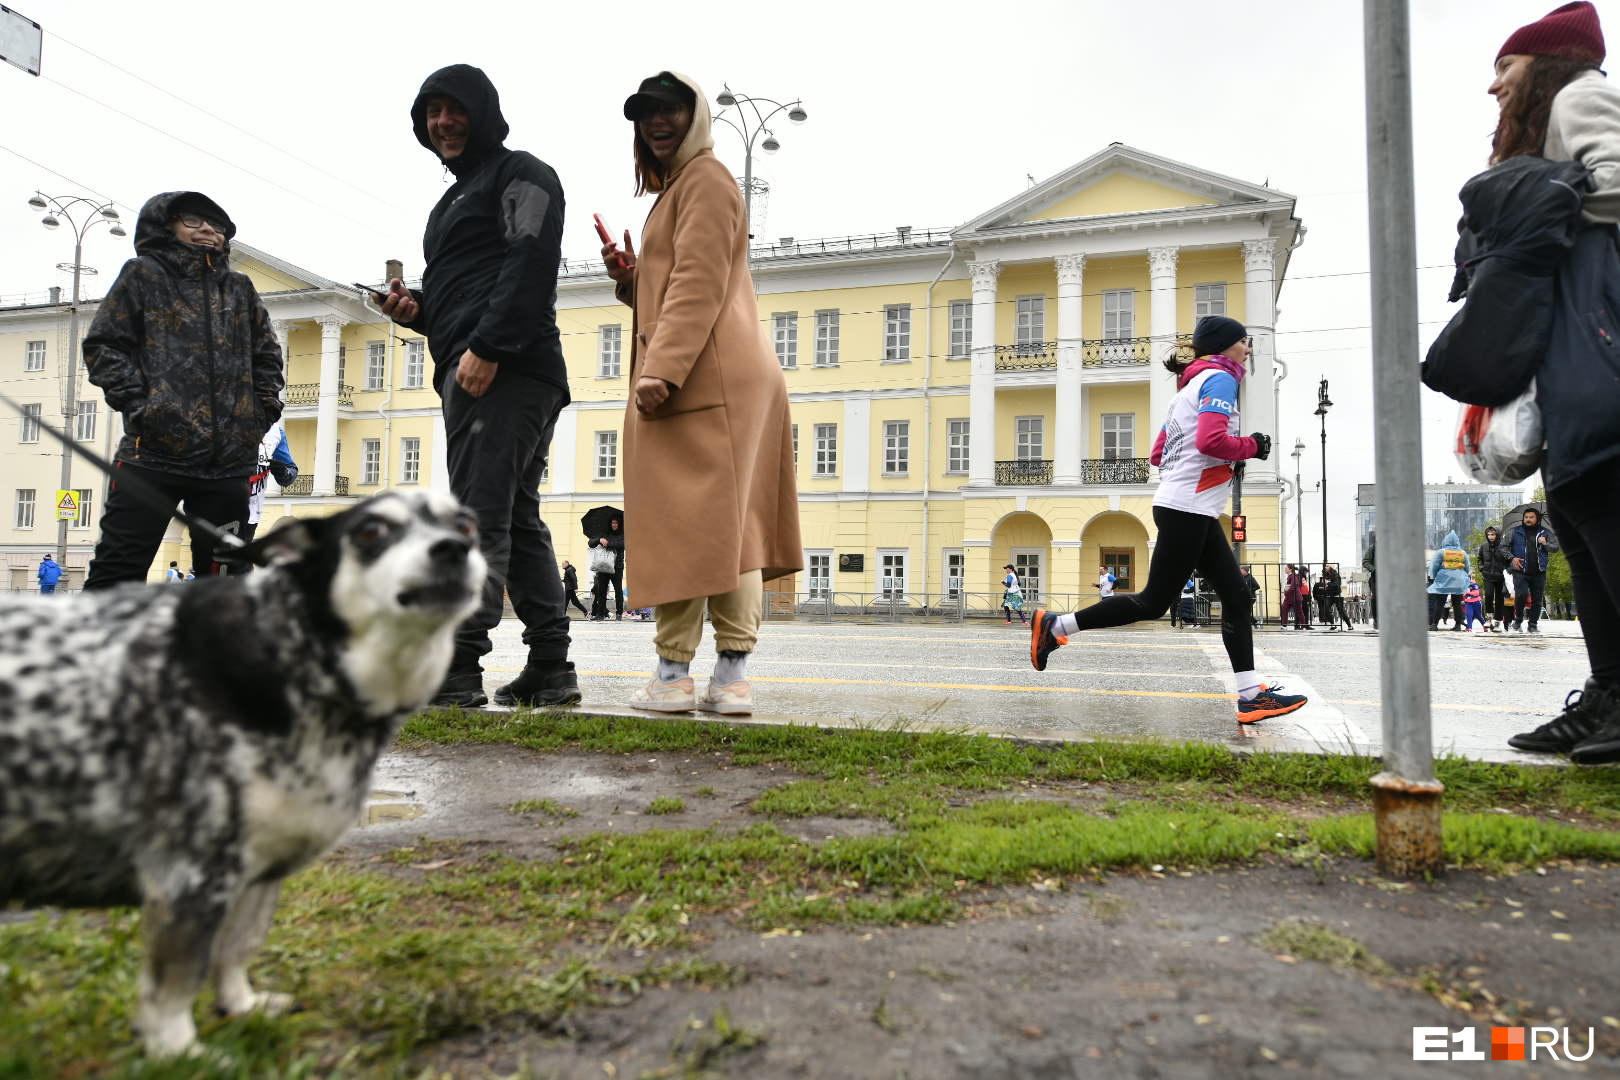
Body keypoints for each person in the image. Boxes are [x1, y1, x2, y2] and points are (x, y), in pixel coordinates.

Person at [598, 71, 802, 715]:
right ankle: (724, 676)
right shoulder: (685, 188)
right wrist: (635, 282)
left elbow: (700, 279)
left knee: (694, 525)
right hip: (714, 371)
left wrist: (661, 368)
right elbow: (686, 281)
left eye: (671, 110)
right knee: (722, 526)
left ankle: (681, 675)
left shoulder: (708, 179)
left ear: (698, 116)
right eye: (646, 113)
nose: (657, 122)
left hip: (703, 378)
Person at [377, 64, 577, 709]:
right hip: (487, 366)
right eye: (431, 113)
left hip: (506, 368)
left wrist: (488, 348)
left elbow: (530, 260)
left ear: (483, 111)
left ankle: (459, 666)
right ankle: (550, 666)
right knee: (516, 516)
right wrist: (421, 311)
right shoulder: (452, 200)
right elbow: (471, 287)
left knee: (479, 514)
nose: (442, 122)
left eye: (453, 109)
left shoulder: (523, 173)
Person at [1469, 3, 1620, 762]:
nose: (1493, 86)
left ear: (1542, 64)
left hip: (1599, 335)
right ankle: (1606, 695)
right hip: (1569, 346)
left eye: (1505, 68)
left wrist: (1529, 203)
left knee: (1599, 498)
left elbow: (1615, 182)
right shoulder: (1549, 116)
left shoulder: (1578, 95)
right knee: (1573, 503)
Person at [1028, 315, 1306, 723]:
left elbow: (1160, 453)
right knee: (1153, 601)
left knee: (1236, 595)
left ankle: (1250, 694)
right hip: (1188, 507)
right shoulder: (1221, 379)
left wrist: (1214, 465)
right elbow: (1210, 440)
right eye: (1244, 342)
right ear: (1225, 345)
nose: (1248, 349)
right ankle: (1056, 626)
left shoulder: (1186, 389)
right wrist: (1252, 447)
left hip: (1191, 506)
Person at [81, 191, 283, 590]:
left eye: (217, 226)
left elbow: (268, 358)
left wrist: (258, 414)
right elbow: (103, 346)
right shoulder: (142, 275)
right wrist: (144, 408)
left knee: (226, 574)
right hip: (151, 456)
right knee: (118, 569)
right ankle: (95, 651)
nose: (208, 230)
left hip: (227, 465)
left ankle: (216, 651)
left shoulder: (240, 289)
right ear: (166, 225)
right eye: (194, 221)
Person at [227, 421, 298, 575]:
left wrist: (283, 472)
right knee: (219, 561)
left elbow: (290, 473)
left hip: (251, 513)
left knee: (241, 563)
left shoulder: (275, 432)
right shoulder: (225, 420)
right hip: (221, 506)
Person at [1505, 507, 1556, 633]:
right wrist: (1512, 558)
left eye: (1531, 517)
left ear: (1537, 519)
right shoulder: (1514, 531)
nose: (1528, 519)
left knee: (1537, 599)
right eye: (1526, 517)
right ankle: (1518, 619)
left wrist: (1545, 543)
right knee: (1521, 595)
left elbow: (1555, 548)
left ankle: (1533, 624)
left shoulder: (1545, 532)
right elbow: (1503, 548)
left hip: (1539, 571)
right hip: (1520, 570)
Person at [1428, 531, 1473, 631]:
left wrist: (1434, 577)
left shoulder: (1441, 552)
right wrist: (1465, 578)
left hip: (1444, 580)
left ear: (1445, 541)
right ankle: (1458, 625)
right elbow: (1467, 567)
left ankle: (1434, 624)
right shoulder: (1462, 553)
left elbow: (1434, 566)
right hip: (1459, 581)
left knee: (1440, 602)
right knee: (1457, 603)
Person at [589, 516, 626, 620]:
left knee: (618, 590)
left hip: (617, 567)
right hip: (603, 566)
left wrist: (608, 543)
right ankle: (600, 614)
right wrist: (599, 539)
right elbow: (591, 543)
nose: (614, 525)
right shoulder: (604, 533)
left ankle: (619, 613)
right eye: (612, 523)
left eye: (616, 523)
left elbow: (622, 544)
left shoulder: (623, 534)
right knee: (601, 591)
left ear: (619, 524)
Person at [1477, 524, 1511, 631]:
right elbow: (1479, 559)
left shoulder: (1504, 546)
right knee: (1488, 595)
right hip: (1488, 576)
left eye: (1493, 534)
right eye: (1488, 534)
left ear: (1498, 535)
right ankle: (1489, 618)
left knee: (1500, 600)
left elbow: (1509, 560)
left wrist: (1507, 571)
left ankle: (1497, 623)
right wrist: (1481, 568)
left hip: (1501, 577)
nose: (1490, 536)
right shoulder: (1483, 546)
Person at [1324, 563, 1355, 630]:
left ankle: (1349, 626)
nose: (1325, 567)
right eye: (1325, 566)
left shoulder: (1336, 574)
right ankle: (1332, 624)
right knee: (1326, 609)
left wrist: (1328, 584)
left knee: (1341, 612)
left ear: (1331, 567)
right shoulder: (1326, 575)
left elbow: (1337, 584)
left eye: (1327, 566)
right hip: (1329, 595)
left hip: (1338, 595)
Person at [1281, 564, 1305, 630]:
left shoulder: (1293, 576)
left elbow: (1293, 586)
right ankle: (1284, 625)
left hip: (1295, 597)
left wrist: (1286, 592)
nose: (1285, 569)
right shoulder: (1290, 576)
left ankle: (1303, 625)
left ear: (1290, 569)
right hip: (1289, 597)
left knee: (1299, 612)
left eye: (1286, 568)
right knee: (1284, 609)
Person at [1362, 533, 1378, 629]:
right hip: (1377, 577)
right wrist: (1374, 569)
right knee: (1376, 598)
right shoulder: (1374, 548)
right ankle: (1377, 620)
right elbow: (1365, 562)